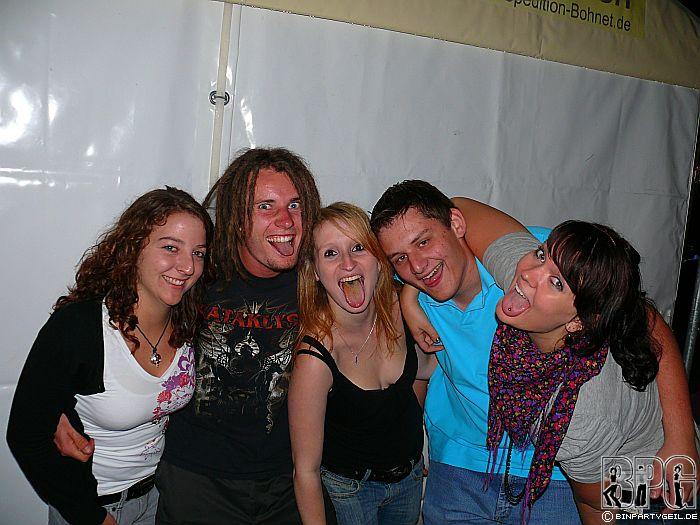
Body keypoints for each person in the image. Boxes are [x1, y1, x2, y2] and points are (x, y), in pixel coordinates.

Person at [370, 180, 580, 524]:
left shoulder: (532, 262)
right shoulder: (413, 296)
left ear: (456, 224)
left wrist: (674, 434)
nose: (418, 266)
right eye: (401, 258)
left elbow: (634, 314)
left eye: (424, 241)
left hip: (553, 469)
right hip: (459, 466)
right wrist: (409, 296)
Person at [7, 187, 214, 525]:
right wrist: (92, 517)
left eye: (199, 253)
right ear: (134, 247)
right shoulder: (80, 327)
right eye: (170, 248)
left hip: (157, 499)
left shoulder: (191, 322)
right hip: (92, 507)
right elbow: (25, 435)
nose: (188, 266)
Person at [474, 218, 698, 523]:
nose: (527, 273)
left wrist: (682, 439)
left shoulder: (579, 416)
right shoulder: (533, 282)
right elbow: (463, 211)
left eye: (556, 283)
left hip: (651, 494)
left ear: (579, 322)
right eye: (541, 254)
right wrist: (412, 296)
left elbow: (597, 506)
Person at [153, 148, 330, 524]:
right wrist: (67, 402)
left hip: (289, 481)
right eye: (266, 206)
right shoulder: (197, 273)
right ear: (236, 218)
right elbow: (120, 308)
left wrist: (412, 302)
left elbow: (380, 277)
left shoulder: (317, 280)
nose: (286, 220)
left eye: (295, 205)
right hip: (197, 480)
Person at [289, 202, 435, 525]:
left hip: (409, 480)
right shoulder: (315, 357)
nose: (348, 263)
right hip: (351, 492)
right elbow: (306, 472)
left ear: (380, 261)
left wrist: (412, 441)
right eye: (330, 253)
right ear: (315, 272)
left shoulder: (405, 310)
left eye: (358, 247)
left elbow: (425, 371)